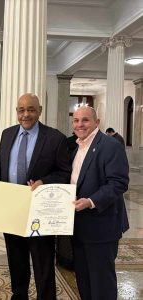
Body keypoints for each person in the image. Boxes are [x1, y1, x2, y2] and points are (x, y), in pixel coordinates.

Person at [0, 93, 71, 300]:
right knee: (16, 259)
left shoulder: (55, 138)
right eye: (21, 110)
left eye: (31, 109)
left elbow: (65, 173)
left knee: (43, 262)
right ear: (16, 112)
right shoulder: (7, 134)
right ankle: (19, 294)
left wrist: (45, 182)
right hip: (12, 209)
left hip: (40, 211)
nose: (26, 115)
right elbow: (2, 166)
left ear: (40, 110)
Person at [71, 106, 129, 300]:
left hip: (101, 227)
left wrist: (91, 201)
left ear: (97, 122)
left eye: (85, 120)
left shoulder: (110, 146)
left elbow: (118, 183)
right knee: (84, 280)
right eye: (76, 120)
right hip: (78, 227)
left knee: (102, 285)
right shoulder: (75, 146)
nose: (80, 124)